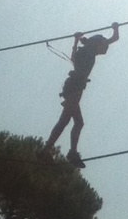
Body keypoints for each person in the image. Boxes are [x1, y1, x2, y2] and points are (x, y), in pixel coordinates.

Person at [43, 22, 119, 168]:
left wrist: (77, 40)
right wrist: (77, 40)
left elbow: (113, 39)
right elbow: (113, 39)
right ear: (97, 44)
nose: (103, 49)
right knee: (66, 120)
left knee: (77, 122)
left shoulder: (87, 50)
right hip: (74, 87)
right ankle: (49, 150)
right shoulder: (88, 51)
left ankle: (65, 151)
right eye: (102, 46)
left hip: (74, 87)